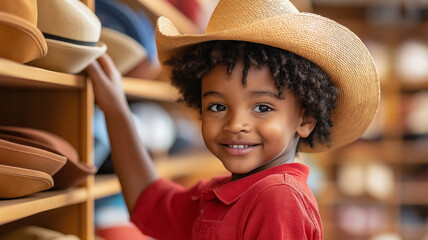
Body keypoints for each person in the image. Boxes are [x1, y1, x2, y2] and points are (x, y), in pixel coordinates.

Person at [86, 0, 380, 239]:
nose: (235, 124)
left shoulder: (278, 198)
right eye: (216, 107)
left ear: (305, 119)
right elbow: (149, 202)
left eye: (262, 107)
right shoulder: (224, 195)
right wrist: (115, 109)